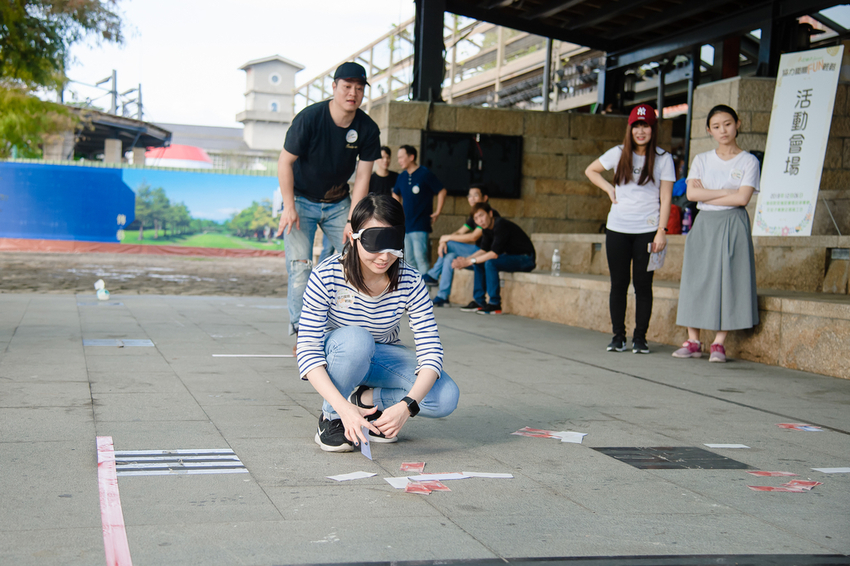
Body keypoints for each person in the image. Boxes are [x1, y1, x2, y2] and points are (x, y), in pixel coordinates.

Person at [296, 194, 460, 452]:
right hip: (342, 354)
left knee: (446, 397)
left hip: (383, 357)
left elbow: (431, 352)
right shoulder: (326, 275)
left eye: (393, 244)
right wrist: (341, 407)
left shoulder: (411, 280)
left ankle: (368, 404)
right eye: (375, 244)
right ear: (353, 237)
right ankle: (332, 419)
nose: (384, 257)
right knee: (357, 340)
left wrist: (407, 406)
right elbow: (307, 350)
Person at [275, 62, 381, 346]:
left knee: (356, 260)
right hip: (300, 200)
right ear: (334, 87)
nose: (353, 93)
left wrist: (351, 220)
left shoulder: (368, 128)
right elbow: (285, 162)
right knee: (301, 266)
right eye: (347, 87)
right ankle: (303, 333)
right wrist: (288, 205)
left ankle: (354, 328)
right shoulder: (310, 118)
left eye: (359, 88)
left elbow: (363, 177)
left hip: (339, 203)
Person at [585, 103, 675, 354]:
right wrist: (609, 189)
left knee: (643, 284)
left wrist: (662, 230)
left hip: (647, 229)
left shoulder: (663, 159)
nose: (641, 131)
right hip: (617, 228)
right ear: (630, 128)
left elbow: (666, 198)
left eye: (645, 125)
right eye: (636, 125)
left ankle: (640, 338)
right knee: (619, 283)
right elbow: (590, 170)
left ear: (653, 128)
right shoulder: (617, 153)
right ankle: (618, 336)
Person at [673, 105, 760, 363]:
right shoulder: (701, 159)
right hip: (705, 222)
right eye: (716, 126)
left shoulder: (749, 161)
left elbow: (743, 198)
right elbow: (691, 195)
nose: (723, 130)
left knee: (729, 277)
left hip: (733, 223)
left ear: (738, 124)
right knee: (696, 277)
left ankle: (719, 343)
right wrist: (726, 192)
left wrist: (711, 191)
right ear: (709, 130)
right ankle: (693, 339)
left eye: (728, 124)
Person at [452, 202, 535, 315]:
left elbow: (494, 254)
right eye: (476, 218)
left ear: (490, 213)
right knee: (480, 263)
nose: (480, 221)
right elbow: (483, 250)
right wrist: (465, 260)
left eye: (481, 215)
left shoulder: (500, 225)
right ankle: (479, 301)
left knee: (490, 263)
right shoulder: (486, 229)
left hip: (525, 258)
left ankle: (495, 304)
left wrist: (468, 262)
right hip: (510, 257)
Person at [423, 184, 498, 307]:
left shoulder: (487, 213)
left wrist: (447, 239)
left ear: (485, 198)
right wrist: (444, 241)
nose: (472, 198)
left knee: (451, 244)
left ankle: (433, 275)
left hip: (484, 252)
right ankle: (443, 296)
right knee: (449, 257)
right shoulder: (475, 214)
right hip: (476, 250)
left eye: (475, 195)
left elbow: (474, 236)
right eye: (469, 195)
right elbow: (460, 232)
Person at [392, 145, 447, 274]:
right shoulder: (401, 176)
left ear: (411, 157)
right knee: (409, 259)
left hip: (421, 223)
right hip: (406, 224)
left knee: (420, 257)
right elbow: (395, 193)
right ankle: (414, 290)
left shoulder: (425, 174)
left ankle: (425, 289)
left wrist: (438, 212)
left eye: (401, 157)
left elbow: (442, 191)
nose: (399, 160)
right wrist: (397, 212)